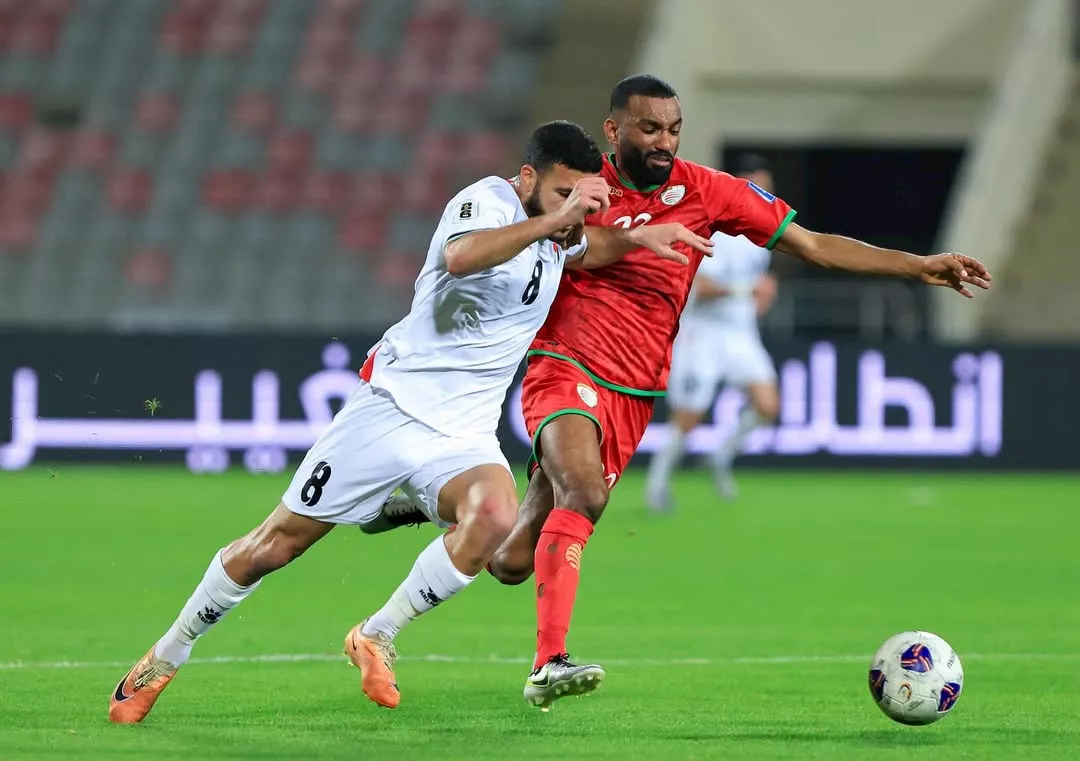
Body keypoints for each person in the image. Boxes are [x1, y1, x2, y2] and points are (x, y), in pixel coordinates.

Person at [368, 75, 991, 711]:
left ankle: (434, 503)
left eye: (673, 129)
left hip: (635, 389)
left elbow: (812, 246)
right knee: (585, 493)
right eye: (649, 129)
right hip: (563, 363)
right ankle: (548, 664)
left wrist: (917, 264)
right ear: (614, 131)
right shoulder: (581, 186)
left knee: (512, 561)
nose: (664, 141)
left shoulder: (708, 191)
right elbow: (540, 238)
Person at [106, 120, 712, 723]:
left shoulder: (561, 227)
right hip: (391, 408)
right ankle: (164, 657)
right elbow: (461, 257)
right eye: (560, 194)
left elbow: (586, 248)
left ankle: (376, 633)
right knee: (275, 546)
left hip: (463, 431)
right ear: (528, 177)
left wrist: (639, 237)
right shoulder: (486, 201)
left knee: (495, 519)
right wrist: (562, 217)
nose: (571, 210)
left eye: (578, 198)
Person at [645, 153, 782, 509]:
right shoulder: (717, 231)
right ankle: (657, 484)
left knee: (768, 404)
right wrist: (746, 291)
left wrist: (761, 298)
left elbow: (752, 293)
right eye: (761, 190)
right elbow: (701, 288)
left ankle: (720, 458)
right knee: (689, 418)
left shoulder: (760, 241)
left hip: (740, 335)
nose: (768, 198)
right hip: (702, 335)